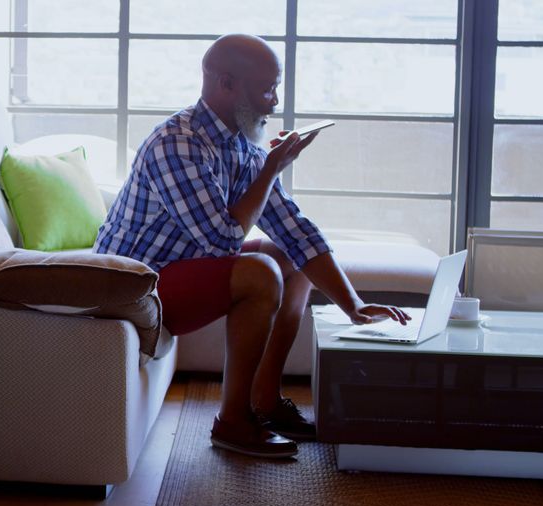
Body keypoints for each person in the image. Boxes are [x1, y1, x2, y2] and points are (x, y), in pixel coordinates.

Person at [94, 33, 410, 459]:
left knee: (286, 256)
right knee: (260, 273)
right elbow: (224, 241)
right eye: (267, 89)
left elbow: (295, 230)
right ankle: (233, 421)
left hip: (179, 268)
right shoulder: (177, 143)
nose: (274, 102)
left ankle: (264, 399)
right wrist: (271, 169)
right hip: (133, 286)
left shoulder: (242, 145)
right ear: (226, 84)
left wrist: (353, 305)